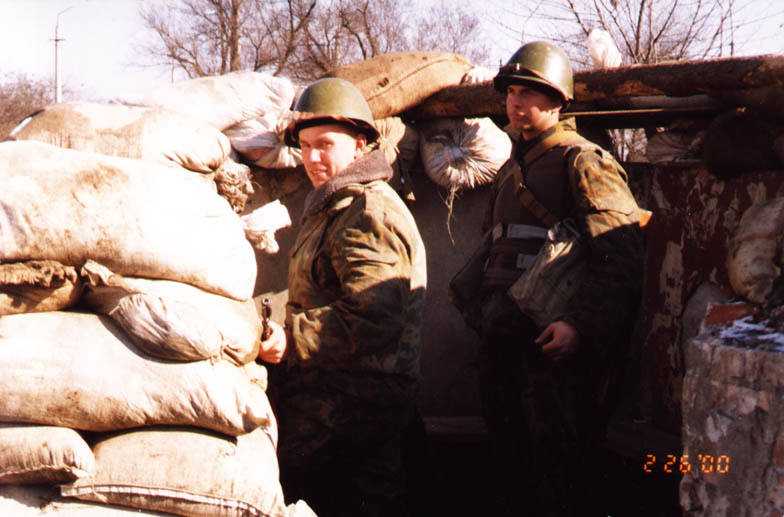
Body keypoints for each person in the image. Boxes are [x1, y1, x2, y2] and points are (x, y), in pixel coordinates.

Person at [452, 41, 645, 516]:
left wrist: (579, 326)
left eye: (530, 93)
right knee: (510, 475)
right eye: (511, 92)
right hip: (505, 344)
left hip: (554, 355)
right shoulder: (511, 170)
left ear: (558, 101)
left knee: (559, 483)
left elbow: (620, 261)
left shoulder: (584, 161)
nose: (516, 103)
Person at [257, 77, 427, 517]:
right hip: (332, 405)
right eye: (305, 146)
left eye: (325, 145)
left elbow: (374, 316)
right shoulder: (334, 204)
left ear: (359, 146)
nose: (312, 158)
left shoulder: (368, 212)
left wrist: (291, 339)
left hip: (357, 412)